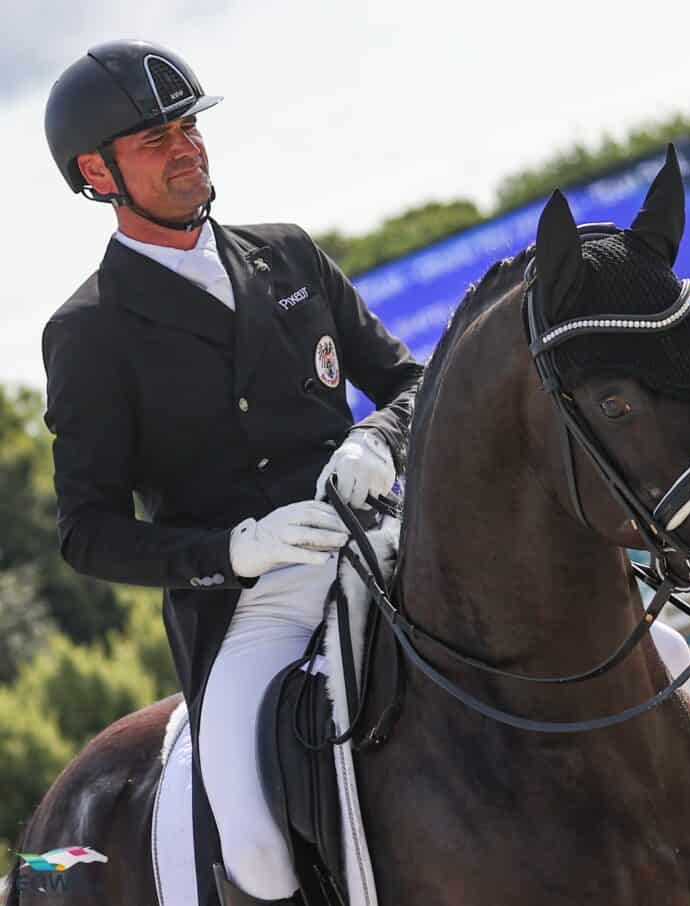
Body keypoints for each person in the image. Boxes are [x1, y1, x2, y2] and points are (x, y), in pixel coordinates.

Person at [42, 40, 423, 906]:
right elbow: (86, 529)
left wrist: (382, 441)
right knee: (251, 838)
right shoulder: (89, 332)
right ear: (97, 174)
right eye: (154, 140)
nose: (186, 148)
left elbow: (410, 382)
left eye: (188, 126)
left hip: (391, 539)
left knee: (649, 650)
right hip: (256, 602)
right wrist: (235, 549)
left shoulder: (288, 254)